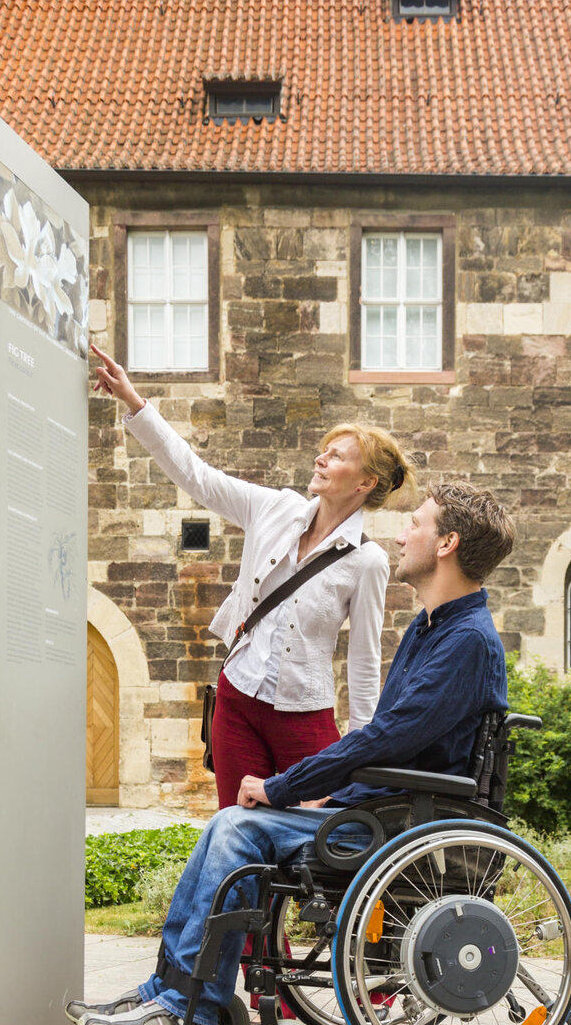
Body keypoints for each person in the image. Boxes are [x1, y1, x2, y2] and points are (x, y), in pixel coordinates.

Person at [67, 479, 515, 1025]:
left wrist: (287, 785)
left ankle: (186, 1007)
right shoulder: (434, 630)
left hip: (409, 824)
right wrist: (328, 800)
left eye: (417, 524)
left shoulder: (465, 644)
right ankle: (168, 993)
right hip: (387, 809)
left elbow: (385, 738)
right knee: (233, 823)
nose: (402, 534)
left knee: (238, 827)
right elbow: (395, 745)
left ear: (448, 543)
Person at [90, 344, 412, 807]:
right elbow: (196, 476)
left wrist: (359, 752)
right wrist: (135, 404)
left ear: (365, 484)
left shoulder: (367, 561)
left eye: (337, 456)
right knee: (237, 829)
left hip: (305, 715)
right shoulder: (274, 509)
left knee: (319, 835)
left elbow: (363, 661)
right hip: (236, 701)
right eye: (324, 451)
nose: (321, 459)